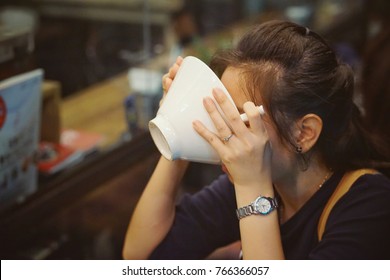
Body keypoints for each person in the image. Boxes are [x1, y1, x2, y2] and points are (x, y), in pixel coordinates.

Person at [122, 20, 390, 260]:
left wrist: (252, 186)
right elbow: (142, 257)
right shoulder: (256, 182)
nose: (222, 131)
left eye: (240, 118)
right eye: (219, 111)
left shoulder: (371, 206)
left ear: (305, 132)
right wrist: (179, 131)